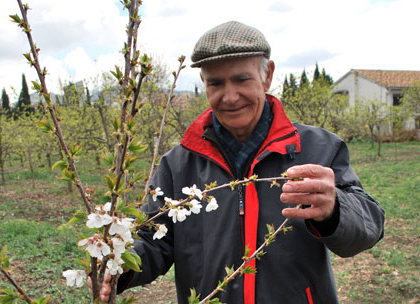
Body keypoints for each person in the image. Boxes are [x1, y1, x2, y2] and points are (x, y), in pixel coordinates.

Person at [89, 21, 385, 303]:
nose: (230, 97)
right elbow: (156, 240)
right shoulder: (178, 165)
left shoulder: (319, 149)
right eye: (216, 83)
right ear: (203, 83)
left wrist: (334, 209)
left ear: (267, 75)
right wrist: (120, 265)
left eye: (242, 79)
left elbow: (369, 227)